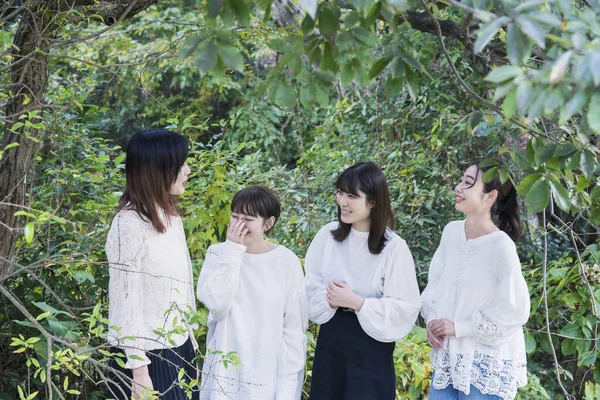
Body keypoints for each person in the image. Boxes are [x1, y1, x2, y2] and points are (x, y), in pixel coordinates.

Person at [305, 161, 421, 400]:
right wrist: (331, 299)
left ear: (373, 200)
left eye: (351, 196)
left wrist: (358, 303)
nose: (342, 201)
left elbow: (406, 307)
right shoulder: (327, 236)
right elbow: (309, 286)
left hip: (371, 349)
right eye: (339, 193)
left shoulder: (394, 248)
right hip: (331, 341)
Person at [420, 161, 530, 400]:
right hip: (448, 358)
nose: (459, 187)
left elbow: (515, 311)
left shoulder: (501, 246)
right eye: (461, 180)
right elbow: (434, 286)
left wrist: (459, 327)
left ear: (490, 196)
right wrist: (432, 322)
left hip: (484, 365)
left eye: (468, 183)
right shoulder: (451, 232)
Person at [105, 129, 199, 400]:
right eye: (181, 165)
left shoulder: (172, 219)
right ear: (159, 170)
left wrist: (191, 352)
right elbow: (125, 304)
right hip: (144, 359)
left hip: (179, 351)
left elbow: (183, 290)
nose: (188, 170)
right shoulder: (128, 225)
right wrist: (139, 372)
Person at [196, 185, 308, 400]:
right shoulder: (218, 254)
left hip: (266, 377)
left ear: (268, 223)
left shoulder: (287, 262)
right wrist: (233, 251)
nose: (239, 225)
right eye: (235, 217)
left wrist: (286, 392)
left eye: (247, 219)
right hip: (223, 374)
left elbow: (294, 331)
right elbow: (216, 304)